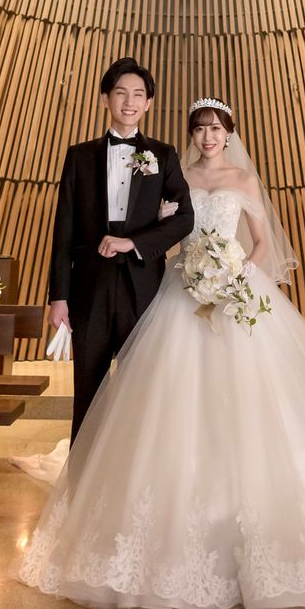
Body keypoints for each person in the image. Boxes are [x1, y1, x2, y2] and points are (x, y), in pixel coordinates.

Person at [14, 97, 305, 609]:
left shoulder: (245, 181)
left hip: (236, 291)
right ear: (191, 134)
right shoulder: (173, 176)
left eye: (216, 129)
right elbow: (165, 233)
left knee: (258, 399)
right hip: (181, 290)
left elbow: (264, 243)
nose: (207, 137)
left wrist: (236, 275)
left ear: (229, 134)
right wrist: (184, 262)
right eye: (200, 129)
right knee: (168, 401)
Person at [47, 57, 194, 443]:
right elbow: (63, 231)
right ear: (105, 99)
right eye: (121, 93)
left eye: (138, 95)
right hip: (88, 288)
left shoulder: (163, 155)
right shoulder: (79, 156)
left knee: (140, 390)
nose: (129, 102)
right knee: (88, 388)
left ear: (149, 103)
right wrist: (58, 297)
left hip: (143, 288)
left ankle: (133, 472)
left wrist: (134, 243)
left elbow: (184, 218)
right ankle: (82, 473)